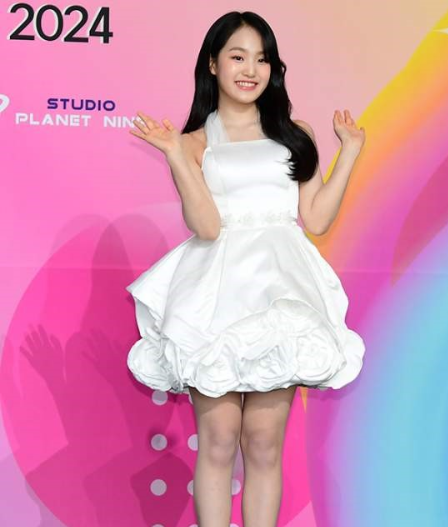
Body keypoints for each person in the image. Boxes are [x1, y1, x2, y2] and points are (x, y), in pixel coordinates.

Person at [127, 10, 366, 527]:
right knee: (217, 439)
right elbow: (206, 226)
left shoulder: (295, 134)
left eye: (261, 59)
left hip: (280, 293)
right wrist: (174, 155)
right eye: (238, 57)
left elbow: (316, 218)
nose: (250, 70)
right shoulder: (194, 141)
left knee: (263, 443)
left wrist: (349, 153)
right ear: (213, 64)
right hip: (215, 293)